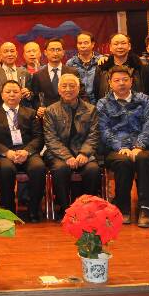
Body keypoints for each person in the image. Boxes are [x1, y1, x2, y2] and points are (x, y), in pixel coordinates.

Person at [96, 65, 149, 228]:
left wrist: (139, 145)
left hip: (142, 147)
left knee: (144, 159)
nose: (121, 83)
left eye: (125, 80)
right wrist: (120, 146)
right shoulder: (103, 103)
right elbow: (103, 130)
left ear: (132, 81)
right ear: (110, 83)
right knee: (123, 161)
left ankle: (145, 209)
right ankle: (123, 209)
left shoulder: (144, 100)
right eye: (117, 80)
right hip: (115, 148)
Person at [43, 74, 101, 219]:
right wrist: (67, 156)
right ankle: (65, 209)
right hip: (58, 154)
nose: (68, 89)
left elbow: (94, 135)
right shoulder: (51, 110)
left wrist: (84, 153)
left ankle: (87, 209)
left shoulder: (91, 109)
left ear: (78, 88)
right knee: (60, 169)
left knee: (93, 170)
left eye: (72, 86)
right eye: (64, 86)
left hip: (83, 153)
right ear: (59, 90)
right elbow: (51, 139)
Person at [0, 80, 45, 221]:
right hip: (6, 153)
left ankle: (33, 210)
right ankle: (9, 210)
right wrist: (6, 152)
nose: (12, 95)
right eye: (8, 92)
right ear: (2, 95)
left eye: (15, 91)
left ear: (21, 95)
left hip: (28, 152)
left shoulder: (31, 113)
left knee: (38, 167)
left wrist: (27, 151)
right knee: (5, 169)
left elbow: (38, 137)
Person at [30, 38, 86, 117]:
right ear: (45, 52)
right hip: (47, 116)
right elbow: (35, 98)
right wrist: (39, 108)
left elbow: (81, 94)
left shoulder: (72, 72)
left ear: (63, 52)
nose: (55, 53)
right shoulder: (38, 75)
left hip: (70, 115)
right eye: (52, 50)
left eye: (58, 50)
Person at [93, 33, 149, 101]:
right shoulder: (102, 67)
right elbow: (97, 92)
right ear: (110, 47)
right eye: (116, 44)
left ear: (129, 46)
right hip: (107, 106)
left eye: (123, 43)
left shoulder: (141, 67)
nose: (120, 47)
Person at [0, 42, 31, 109]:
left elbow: (32, 94)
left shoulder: (25, 73)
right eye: (6, 51)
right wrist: (4, 87)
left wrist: (28, 94)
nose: (9, 54)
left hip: (22, 111)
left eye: (12, 51)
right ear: (0, 55)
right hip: (0, 112)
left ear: (16, 54)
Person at [66, 31, 102, 104]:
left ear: (93, 44)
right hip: (78, 103)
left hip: (99, 102)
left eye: (86, 43)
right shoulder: (70, 63)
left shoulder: (101, 61)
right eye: (80, 43)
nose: (82, 46)